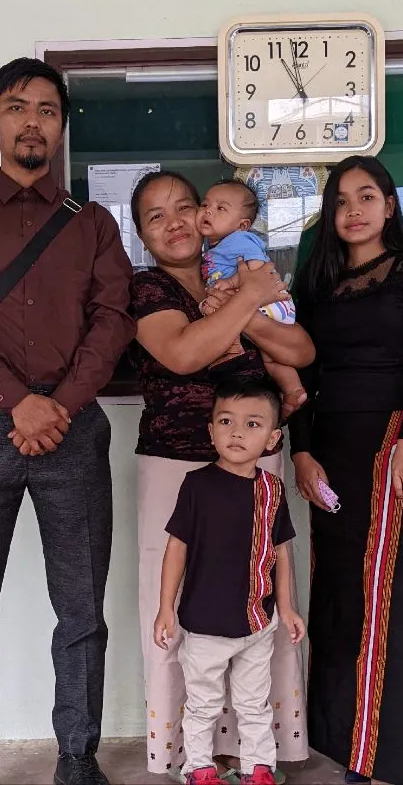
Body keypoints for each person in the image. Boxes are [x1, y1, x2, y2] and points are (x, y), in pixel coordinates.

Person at [130, 170, 314, 780]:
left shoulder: (233, 269)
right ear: (143, 236)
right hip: (171, 461)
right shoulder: (149, 288)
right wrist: (247, 297)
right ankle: (189, 753)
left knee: (259, 594)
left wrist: (242, 309)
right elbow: (184, 353)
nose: (177, 220)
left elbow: (302, 350)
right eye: (156, 216)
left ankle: (258, 750)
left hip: (252, 459)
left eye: (186, 205)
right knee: (178, 603)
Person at [0, 58, 134, 785]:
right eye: (17, 106)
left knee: (80, 609)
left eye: (47, 110)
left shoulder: (94, 225)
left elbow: (112, 322)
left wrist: (60, 403)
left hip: (72, 429)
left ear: (60, 127)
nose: (32, 120)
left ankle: (76, 758)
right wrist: (17, 400)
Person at [289, 155, 403, 785]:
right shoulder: (316, 282)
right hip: (329, 451)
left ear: (390, 205)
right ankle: (345, 743)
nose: (354, 210)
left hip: (388, 447)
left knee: (380, 593)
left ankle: (379, 751)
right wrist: (301, 451)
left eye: (367, 196)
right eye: (341, 200)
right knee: (336, 592)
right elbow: (301, 377)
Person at [154, 376, 306, 785]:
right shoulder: (198, 485)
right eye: (226, 421)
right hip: (204, 623)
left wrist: (288, 607)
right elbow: (176, 549)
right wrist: (165, 608)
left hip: (258, 621)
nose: (237, 432)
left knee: (254, 703)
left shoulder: (272, 490)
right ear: (211, 429)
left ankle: (259, 768)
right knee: (203, 703)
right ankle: (199, 767)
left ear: (273, 438)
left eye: (253, 424)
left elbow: (281, 551)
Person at [198, 180, 305, 419]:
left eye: (220, 208)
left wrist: (231, 283)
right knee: (271, 357)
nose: (208, 210)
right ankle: (293, 390)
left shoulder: (239, 240)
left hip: (268, 304)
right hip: (262, 306)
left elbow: (260, 273)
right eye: (205, 204)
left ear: (242, 225)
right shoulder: (214, 247)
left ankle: (235, 355)